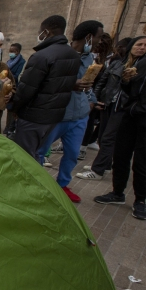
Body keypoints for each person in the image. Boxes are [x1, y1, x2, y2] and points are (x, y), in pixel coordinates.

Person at [36, 20, 104, 203]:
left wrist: (91, 101)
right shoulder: (61, 54)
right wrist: (70, 85)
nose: (99, 41)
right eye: (98, 37)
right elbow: (47, 83)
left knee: (72, 153)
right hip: (58, 114)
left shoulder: (90, 59)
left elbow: (88, 86)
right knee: (41, 151)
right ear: (89, 37)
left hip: (79, 116)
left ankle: (63, 185)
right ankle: (37, 184)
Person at [12, 15, 80, 162]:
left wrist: (15, 107)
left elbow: (26, 89)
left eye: (40, 31)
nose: (39, 35)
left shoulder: (41, 56)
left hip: (33, 115)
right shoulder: (73, 55)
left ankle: (25, 183)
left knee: (23, 156)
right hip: (54, 116)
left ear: (47, 32)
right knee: (37, 153)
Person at [94, 36, 146, 220]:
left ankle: (140, 200)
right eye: (139, 44)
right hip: (128, 116)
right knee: (121, 155)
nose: (142, 48)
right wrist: (126, 81)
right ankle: (117, 193)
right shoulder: (128, 64)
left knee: (141, 161)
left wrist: (136, 107)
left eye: (145, 45)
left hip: (141, 117)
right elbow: (129, 90)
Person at [76, 37, 133, 180]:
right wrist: (97, 99)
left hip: (119, 106)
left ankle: (98, 170)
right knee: (103, 135)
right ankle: (104, 164)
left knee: (107, 138)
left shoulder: (126, 64)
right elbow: (104, 81)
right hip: (108, 103)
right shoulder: (116, 62)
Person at [77, 33, 113, 160]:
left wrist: (94, 98)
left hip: (90, 93)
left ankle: (82, 148)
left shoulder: (108, 60)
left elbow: (102, 81)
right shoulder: (88, 56)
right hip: (82, 92)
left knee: (88, 121)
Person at [2, 43, 26, 137]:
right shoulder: (10, 61)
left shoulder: (21, 62)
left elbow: (18, 75)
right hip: (8, 86)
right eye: (10, 51)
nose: (10, 53)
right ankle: (8, 127)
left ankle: (10, 129)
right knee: (8, 108)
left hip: (14, 87)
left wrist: (8, 75)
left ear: (17, 52)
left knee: (12, 109)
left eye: (12, 51)